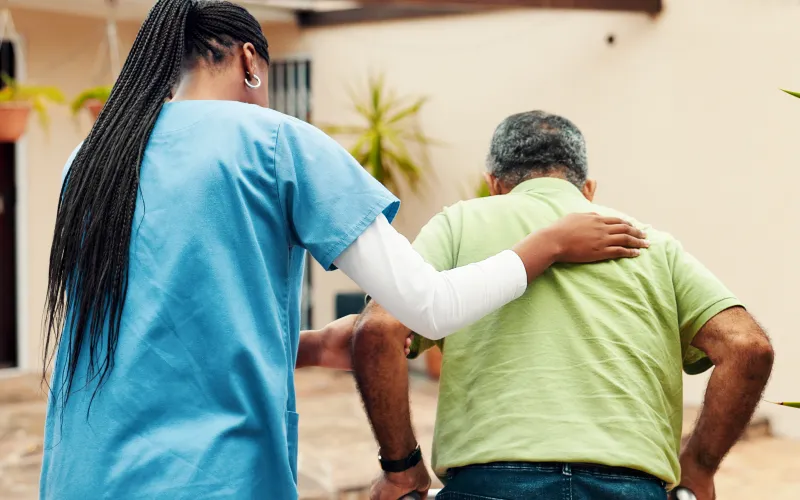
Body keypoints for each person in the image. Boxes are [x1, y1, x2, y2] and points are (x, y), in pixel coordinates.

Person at [38, 3, 649, 499]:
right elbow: (430, 306)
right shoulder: (275, 142)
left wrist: (303, 347)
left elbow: (148, 330)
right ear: (250, 60)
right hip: (212, 478)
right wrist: (548, 245)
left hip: (79, 474)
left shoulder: (92, 160)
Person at [352, 111, 775, 500]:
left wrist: (401, 469)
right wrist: (698, 467)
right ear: (588, 190)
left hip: (490, 483)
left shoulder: (458, 225)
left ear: (493, 184)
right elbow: (747, 346)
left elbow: (378, 329)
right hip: (630, 486)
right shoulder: (650, 243)